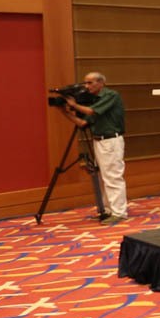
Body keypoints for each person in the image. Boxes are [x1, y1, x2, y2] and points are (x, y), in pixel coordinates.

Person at [63, 71, 128, 223]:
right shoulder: (94, 100)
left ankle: (119, 213)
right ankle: (108, 210)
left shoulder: (110, 95)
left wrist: (74, 105)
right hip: (99, 141)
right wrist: (65, 112)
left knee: (113, 177)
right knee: (102, 178)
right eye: (85, 83)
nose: (86, 86)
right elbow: (82, 123)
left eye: (90, 83)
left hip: (110, 141)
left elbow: (91, 111)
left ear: (101, 83)